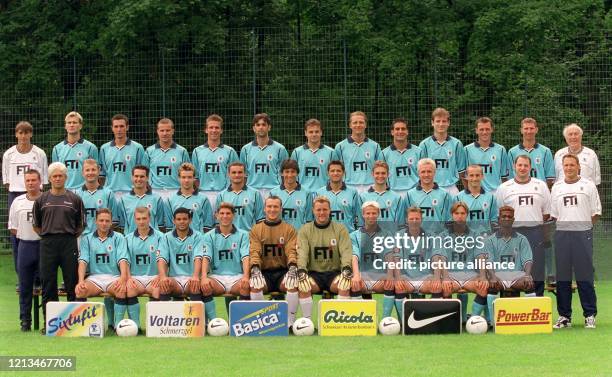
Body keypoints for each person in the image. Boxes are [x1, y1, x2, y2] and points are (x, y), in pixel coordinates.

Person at [32, 162, 84, 334]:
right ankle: (51, 323)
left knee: (72, 282)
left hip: (68, 242)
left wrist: (67, 237)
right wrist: (49, 236)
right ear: (49, 178)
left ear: (65, 177)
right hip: (47, 244)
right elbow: (37, 225)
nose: (57, 178)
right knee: (48, 284)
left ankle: (74, 322)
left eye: (60, 175)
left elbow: (81, 225)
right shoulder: (41, 200)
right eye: (54, 176)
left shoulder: (75, 199)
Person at [550, 154, 601, 329]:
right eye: (566, 165)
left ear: (578, 166)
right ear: (562, 167)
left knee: (584, 276)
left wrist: (584, 229)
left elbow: (595, 213)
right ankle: (564, 316)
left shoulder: (588, 185)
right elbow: (554, 215)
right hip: (562, 236)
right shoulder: (556, 187)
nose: (569, 168)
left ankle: (589, 315)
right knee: (563, 278)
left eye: (572, 165)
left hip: (582, 235)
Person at [496, 155, 550, 296]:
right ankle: (510, 305)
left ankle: (536, 303)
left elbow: (546, 212)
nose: (522, 168)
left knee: (536, 268)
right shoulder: (504, 188)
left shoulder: (541, 185)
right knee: (511, 268)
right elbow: (499, 213)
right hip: (512, 232)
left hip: (535, 232)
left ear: (530, 167)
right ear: (514, 166)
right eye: (520, 165)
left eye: (526, 165)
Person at [296, 196, 354, 321]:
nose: (321, 213)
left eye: (324, 209)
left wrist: (346, 269)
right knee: (303, 286)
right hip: (314, 275)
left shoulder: (340, 229)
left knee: (344, 285)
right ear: (313, 210)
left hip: (334, 274)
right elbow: (302, 253)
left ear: (329, 210)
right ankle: (307, 322)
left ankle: (340, 322)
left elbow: (346, 251)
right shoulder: (305, 230)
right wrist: (301, 270)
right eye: (318, 210)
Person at [3, 121, 48, 281]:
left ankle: (39, 278)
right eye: (20, 133)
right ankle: (22, 276)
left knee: (39, 233)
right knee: (16, 234)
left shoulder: (40, 153)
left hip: (37, 196)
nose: (23, 136)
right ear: (16, 134)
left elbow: (44, 179)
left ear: (31, 134)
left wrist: (34, 193)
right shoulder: (8, 154)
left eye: (26, 133)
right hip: (16, 195)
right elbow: (7, 181)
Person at [75, 209, 134, 329]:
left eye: (107, 221)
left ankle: (117, 326)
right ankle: (81, 327)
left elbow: (123, 259)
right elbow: (83, 261)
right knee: (80, 291)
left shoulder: (119, 237)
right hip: (95, 278)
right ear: (96, 221)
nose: (104, 223)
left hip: (114, 277)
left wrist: (123, 278)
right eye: (101, 220)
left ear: (111, 222)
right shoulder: (87, 239)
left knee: (121, 290)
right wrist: (81, 281)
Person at [430, 202, 488, 322]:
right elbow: (441, 258)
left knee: (483, 287)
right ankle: (452, 320)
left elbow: (481, 256)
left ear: (467, 215)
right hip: (451, 274)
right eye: (456, 213)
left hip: (470, 274)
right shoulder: (443, 235)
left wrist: (482, 276)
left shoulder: (475, 234)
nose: (459, 216)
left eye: (462, 213)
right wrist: (445, 277)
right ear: (452, 215)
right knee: (446, 288)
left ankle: (472, 321)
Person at [248, 196, 299, 327]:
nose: (272, 209)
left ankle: (289, 322)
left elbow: (291, 251)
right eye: (269, 207)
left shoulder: (289, 229)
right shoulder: (256, 229)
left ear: (281, 209)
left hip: (283, 271)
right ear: (264, 209)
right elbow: (255, 252)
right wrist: (255, 269)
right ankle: (262, 322)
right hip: (263, 272)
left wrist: (293, 267)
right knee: (255, 285)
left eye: (275, 207)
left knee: (292, 284)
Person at [481, 206, 534, 323]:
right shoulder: (490, 240)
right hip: (499, 276)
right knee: (492, 285)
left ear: (513, 220)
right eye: (504, 216)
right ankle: (494, 321)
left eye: (509, 217)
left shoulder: (522, 239)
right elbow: (488, 261)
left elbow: (528, 260)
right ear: (499, 219)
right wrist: (493, 277)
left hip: (517, 276)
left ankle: (529, 320)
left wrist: (527, 275)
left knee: (529, 284)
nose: (506, 219)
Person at [200, 203, 251, 320]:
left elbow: (245, 257)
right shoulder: (208, 236)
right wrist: (203, 277)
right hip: (217, 277)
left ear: (234, 216)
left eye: (228, 213)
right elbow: (206, 257)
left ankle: (239, 323)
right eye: (221, 213)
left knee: (246, 286)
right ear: (216, 216)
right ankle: (213, 323)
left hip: (237, 277)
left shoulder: (243, 235)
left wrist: (246, 276)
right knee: (205, 286)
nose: (225, 216)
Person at [8, 170, 42, 331]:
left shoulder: (46, 199)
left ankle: (49, 319)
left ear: (40, 181)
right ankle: (25, 321)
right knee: (24, 285)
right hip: (25, 246)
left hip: (43, 246)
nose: (30, 183)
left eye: (33, 180)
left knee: (47, 284)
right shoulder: (17, 201)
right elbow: (13, 228)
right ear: (24, 182)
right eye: (27, 180)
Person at [350, 202, 397, 316]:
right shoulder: (354, 235)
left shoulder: (387, 234)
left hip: (380, 276)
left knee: (392, 283)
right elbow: (354, 257)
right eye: (368, 213)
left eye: (374, 213)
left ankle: (385, 320)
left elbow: (389, 256)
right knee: (354, 284)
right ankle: (361, 320)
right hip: (363, 275)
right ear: (363, 215)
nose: (371, 216)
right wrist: (356, 275)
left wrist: (390, 275)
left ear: (378, 214)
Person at [125, 207, 165, 325]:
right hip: (135, 278)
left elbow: (165, 259)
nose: (141, 222)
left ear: (149, 218)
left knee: (157, 290)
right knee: (130, 289)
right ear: (134, 220)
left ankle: (155, 325)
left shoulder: (161, 237)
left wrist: (160, 276)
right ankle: (135, 326)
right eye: (138, 219)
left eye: (144, 218)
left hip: (154, 277)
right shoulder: (127, 239)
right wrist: (128, 278)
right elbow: (125, 262)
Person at [157, 208, 205, 305]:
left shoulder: (198, 236)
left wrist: (195, 276)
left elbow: (198, 258)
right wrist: (163, 277)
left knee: (195, 286)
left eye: (184, 219)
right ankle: (167, 318)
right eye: (178, 219)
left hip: (191, 278)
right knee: (164, 285)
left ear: (190, 220)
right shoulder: (166, 237)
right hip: (174, 279)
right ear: (174, 221)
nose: (182, 222)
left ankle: (199, 319)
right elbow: (161, 259)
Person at [192, 114, 240, 210]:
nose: (214, 130)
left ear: (221, 130)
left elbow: (236, 175)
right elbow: (195, 177)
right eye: (211, 127)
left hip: (224, 193)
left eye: (217, 128)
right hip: (203, 193)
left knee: (224, 223)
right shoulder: (197, 151)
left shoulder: (230, 151)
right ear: (206, 130)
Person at [418, 108, 466, 195]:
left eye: (444, 121)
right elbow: (420, 170)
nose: (441, 124)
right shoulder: (424, 145)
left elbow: (462, 172)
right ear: (432, 123)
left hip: (451, 188)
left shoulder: (457, 144)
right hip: (430, 188)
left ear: (448, 123)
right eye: (438, 121)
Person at [240, 113, 288, 197]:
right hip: (252, 190)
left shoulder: (280, 149)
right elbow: (243, 173)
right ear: (254, 128)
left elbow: (285, 173)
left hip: (274, 190)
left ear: (269, 127)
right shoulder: (245, 149)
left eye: (264, 125)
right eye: (258, 125)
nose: (261, 127)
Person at [98, 114, 145, 198]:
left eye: (121, 126)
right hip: (110, 193)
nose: (119, 129)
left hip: (132, 193)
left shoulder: (138, 148)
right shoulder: (104, 148)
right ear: (112, 128)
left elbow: (143, 173)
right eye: (116, 126)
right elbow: (102, 175)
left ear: (127, 127)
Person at [334, 111, 382, 193]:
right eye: (355, 122)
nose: (358, 125)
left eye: (361, 122)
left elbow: (380, 168)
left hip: (370, 186)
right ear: (350, 125)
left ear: (365, 125)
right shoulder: (340, 147)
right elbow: (336, 169)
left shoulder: (375, 146)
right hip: (348, 186)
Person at [404, 158, 454, 235]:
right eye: (423, 172)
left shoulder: (445, 194)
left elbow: (450, 220)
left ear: (434, 172)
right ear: (418, 173)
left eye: (429, 171)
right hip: (417, 237)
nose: (426, 175)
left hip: (439, 237)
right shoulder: (409, 195)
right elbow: (406, 220)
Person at [51, 111, 98, 190]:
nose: (71, 125)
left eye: (74, 122)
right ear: (65, 126)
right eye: (69, 123)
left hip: (84, 191)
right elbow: (55, 174)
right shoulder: (57, 149)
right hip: (64, 191)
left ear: (80, 126)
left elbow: (95, 173)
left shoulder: (91, 148)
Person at [145, 118, 190, 199]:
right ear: (157, 131)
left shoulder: (182, 151)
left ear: (173, 131)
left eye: (168, 130)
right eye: (162, 130)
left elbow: (188, 174)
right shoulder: (149, 151)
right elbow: (144, 173)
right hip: (155, 192)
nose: (165, 133)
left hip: (176, 191)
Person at [464, 117, 510, 193]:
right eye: (481, 129)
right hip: (475, 192)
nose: (484, 132)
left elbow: (504, 177)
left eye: (487, 129)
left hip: (495, 192)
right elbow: (464, 175)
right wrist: (468, 191)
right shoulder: (467, 150)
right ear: (476, 130)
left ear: (492, 129)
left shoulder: (501, 150)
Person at [290, 118, 337, 191]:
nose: (314, 134)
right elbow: (292, 174)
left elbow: (336, 174)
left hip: (324, 193)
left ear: (321, 132)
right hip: (302, 193)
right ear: (305, 133)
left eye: (317, 132)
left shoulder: (331, 152)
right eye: (311, 132)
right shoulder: (297, 152)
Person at [215, 162, 264, 232]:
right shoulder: (221, 195)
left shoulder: (255, 194)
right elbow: (218, 222)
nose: (237, 175)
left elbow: (260, 220)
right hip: (228, 236)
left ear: (245, 174)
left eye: (240, 172)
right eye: (234, 172)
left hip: (249, 236)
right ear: (228, 174)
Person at [117, 166, 167, 234]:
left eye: (142, 176)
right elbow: (122, 226)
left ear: (147, 178)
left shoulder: (157, 199)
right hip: (131, 242)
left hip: (153, 242)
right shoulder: (123, 200)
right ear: (132, 177)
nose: (139, 179)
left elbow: (161, 225)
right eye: (136, 176)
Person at [314, 160, 361, 232]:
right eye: (332, 171)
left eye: (338, 171)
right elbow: (315, 217)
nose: (335, 173)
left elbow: (358, 216)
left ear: (343, 173)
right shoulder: (319, 193)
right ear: (328, 173)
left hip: (347, 235)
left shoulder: (353, 192)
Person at [507, 117, 555, 188]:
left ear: (536, 130)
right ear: (521, 130)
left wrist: (541, 190)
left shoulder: (545, 151)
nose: (529, 131)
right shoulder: (512, 152)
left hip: (538, 192)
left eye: (531, 128)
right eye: (526, 128)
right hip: (518, 191)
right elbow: (510, 177)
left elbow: (550, 177)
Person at [165, 163, 213, 233]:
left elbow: (208, 226)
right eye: (183, 177)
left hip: (197, 241)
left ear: (194, 178)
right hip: (177, 241)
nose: (186, 180)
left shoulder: (203, 199)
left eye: (189, 177)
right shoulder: (170, 200)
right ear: (179, 178)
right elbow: (169, 227)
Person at [381, 118, 424, 197]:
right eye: (397, 129)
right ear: (392, 132)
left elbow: (424, 173)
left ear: (407, 132)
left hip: (414, 193)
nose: (400, 131)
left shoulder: (418, 152)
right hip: (392, 193)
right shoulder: (384, 154)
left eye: (403, 129)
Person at [75, 159, 117, 236]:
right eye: (87, 170)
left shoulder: (109, 194)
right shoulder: (76, 194)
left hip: (103, 237)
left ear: (98, 171)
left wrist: (104, 236)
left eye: (93, 170)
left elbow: (113, 221)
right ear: (82, 173)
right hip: (82, 237)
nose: (90, 173)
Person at [358, 161, 405, 228]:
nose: (380, 176)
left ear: (388, 174)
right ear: (372, 174)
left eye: (383, 173)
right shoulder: (363, 197)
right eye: (377, 173)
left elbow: (401, 224)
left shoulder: (397, 198)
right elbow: (361, 224)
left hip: (390, 237)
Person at [269, 159, 313, 230]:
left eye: (293, 172)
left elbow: (309, 219)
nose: (290, 175)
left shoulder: (307, 193)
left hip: (299, 235)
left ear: (297, 173)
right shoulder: (273, 193)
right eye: (287, 172)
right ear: (282, 173)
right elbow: (270, 217)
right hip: (278, 235)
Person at [455, 165, 498, 236]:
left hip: (485, 239)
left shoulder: (491, 197)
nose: (474, 179)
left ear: (482, 176)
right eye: (471, 175)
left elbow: (494, 221)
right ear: (466, 177)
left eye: (477, 175)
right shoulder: (458, 198)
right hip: (466, 239)